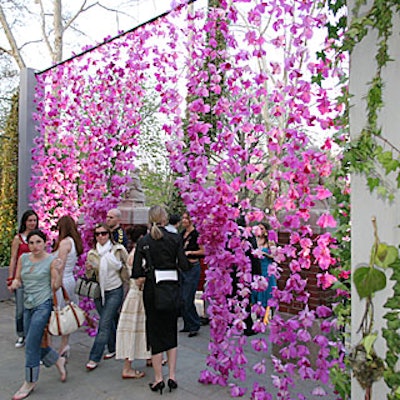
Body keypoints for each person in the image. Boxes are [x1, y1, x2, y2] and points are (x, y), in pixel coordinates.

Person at [132, 205, 189, 394]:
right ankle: (172, 375)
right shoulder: (175, 238)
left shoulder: (144, 241)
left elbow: (137, 272)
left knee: (155, 332)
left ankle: (158, 379)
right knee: (170, 330)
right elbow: (184, 264)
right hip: (171, 288)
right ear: (165, 219)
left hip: (152, 290)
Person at [8, 229, 67, 400]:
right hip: (28, 304)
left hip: (43, 304)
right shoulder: (23, 258)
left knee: (32, 345)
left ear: (45, 243)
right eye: (31, 243)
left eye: (38, 242)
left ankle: (29, 381)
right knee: (30, 339)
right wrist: (15, 284)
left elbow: (55, 286)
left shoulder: (51, 260)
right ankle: (57, 359)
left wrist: (59, 270)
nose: (34, 246)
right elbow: (19, 278)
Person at [85, 223, 129, 371]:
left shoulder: (118, 250)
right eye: (97, 234)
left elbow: (128, 266)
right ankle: (113, 347)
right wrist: (89, 270)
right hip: (99, 291)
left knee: (103, 323)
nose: (101, 236)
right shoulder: (92, 253)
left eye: (103, 233)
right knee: (108, 322)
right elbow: (89, 276)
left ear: (109, 235)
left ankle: (94, 357)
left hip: (115, 289)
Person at [116, 225, 149, 379]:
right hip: (138, 295)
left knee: (142, 328)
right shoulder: (138, 254)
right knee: (134, 329)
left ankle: (149, 356)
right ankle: (127, 367)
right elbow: (140, 278)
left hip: (135, 294)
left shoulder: (134, 252)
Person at [52, 215, 84, 357]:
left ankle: (56, 347)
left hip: (62, 280)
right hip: (70, 278)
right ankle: (65, 344)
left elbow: (60, 264)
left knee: (57, 312)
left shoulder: (65, 243)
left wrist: (55, 282)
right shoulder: (74, 242)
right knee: (67, 312)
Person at [7, 210, 39, 349]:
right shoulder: (18, 239)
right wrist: (11, 278)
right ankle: (21, 334)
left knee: (34, 309)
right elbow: (13, 258)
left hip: (36, 279)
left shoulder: (39, 237)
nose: (32, 223)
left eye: (34, 220)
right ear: (25, 222)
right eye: (30, 220)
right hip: (21, 278)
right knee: (21, 310)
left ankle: (32, 336)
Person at [179, 212, 205, 338]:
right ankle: (187, 323)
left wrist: (190, 253)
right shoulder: (182, 234)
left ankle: (194, 324)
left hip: (192, 267)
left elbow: (203, 251)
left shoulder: (196, 235)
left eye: (186, 218)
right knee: (181, 297)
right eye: (183, 218)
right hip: (182, 267)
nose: (184, 220)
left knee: (187, 297)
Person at [252, 222, 277, 324]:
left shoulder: (270, 242)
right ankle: (259, 314)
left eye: (262, 229)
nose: (260, 231)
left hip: (267, 268)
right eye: (258, 228)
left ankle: (266, 316)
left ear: (266, 231)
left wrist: (265, 254)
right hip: (258, 268)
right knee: (258, 292)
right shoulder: (255, 241)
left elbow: (275, 256)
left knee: (267, 292)